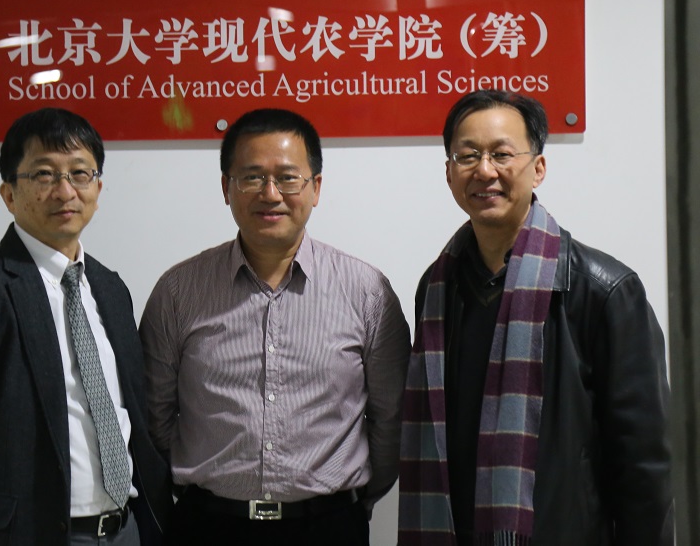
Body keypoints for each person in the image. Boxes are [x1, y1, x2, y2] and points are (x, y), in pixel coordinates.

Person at [398, 89, 673, 545]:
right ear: (449, 173)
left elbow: (644, 463)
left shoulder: (602, 290)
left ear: (538, 168)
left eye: (502, 154)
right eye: (468, 155)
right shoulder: (438, 286)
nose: (485, 170)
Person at [139, 108, 411, 546]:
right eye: (252, 177)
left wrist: (350, 503)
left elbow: (390, 418)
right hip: (208, 525)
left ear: (315, 187)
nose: (270, 194)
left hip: (328, 527)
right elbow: (155, 417)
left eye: (287, 178)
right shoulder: (178, 291)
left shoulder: (367, 292)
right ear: (226, 188)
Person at [0, 107, 171, 546]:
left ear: (98, 188)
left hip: (125, 529)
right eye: (44, 175)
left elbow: (136, 416)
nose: (65, 191)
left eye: (80, 173)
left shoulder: (109, 288)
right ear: (9, 194)